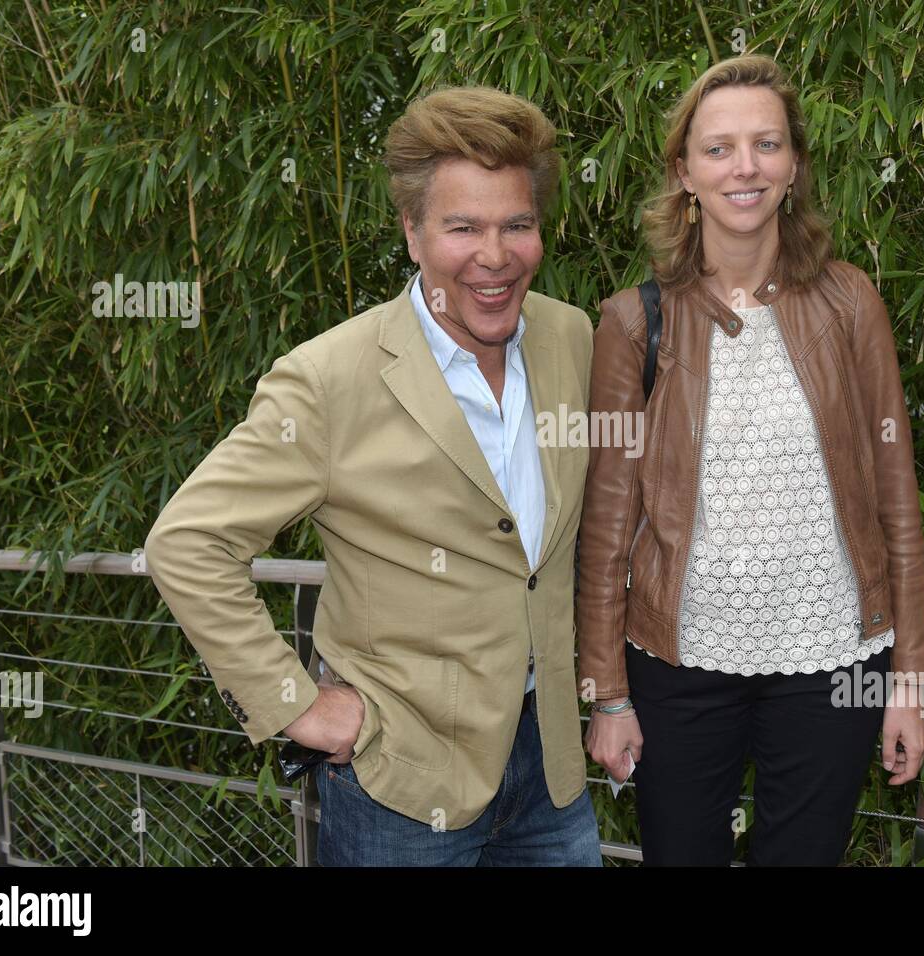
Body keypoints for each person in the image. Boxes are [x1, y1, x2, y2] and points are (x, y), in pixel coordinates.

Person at [145, 85, 601, 866]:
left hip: (553, 768)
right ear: (413, 233)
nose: (495, 256)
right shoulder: (330, 379)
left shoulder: (570, 335)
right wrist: (297, 706)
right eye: (463, 227)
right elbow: (187, 544)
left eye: (517, 225)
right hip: (401, 782)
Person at [576, 54, 924, 866]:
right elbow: (607, 527)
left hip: (834, 657)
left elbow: (896, 503)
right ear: (685, 172)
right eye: (719, 148)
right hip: (676, 661)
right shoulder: (633, 324)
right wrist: (607, 693)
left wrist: (910, 684)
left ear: (794, 166)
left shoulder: (851, 302)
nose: (745, 166)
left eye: (766, 144)